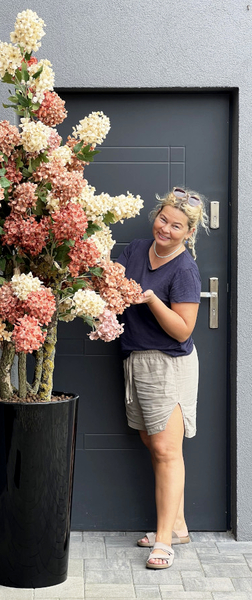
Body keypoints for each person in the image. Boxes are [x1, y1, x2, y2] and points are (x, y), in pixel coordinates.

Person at [117, 187, 209, 570]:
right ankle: (180, 525)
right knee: (154, 445)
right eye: (163, 219)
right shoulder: (137, 249)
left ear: (189, 233)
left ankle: (165, 542)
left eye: (177, 226)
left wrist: (151, 299)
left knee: (167, 451)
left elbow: (183, 331)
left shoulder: (185, 268)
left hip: (169, 364)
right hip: (136, 359)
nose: (166, 229)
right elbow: (113, 285)